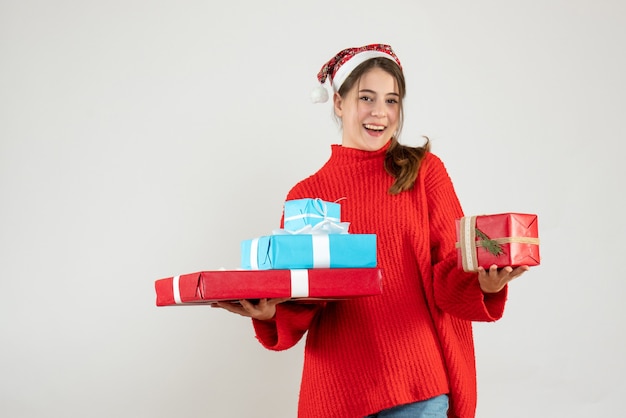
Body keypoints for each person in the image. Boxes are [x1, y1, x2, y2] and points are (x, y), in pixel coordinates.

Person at [215, 43, 529, 418]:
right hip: (336, 392)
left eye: (392, 100)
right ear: (338, 103)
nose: (380, 113)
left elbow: (449, 268)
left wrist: (484, 284)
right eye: (367, 97)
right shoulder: (306, 195)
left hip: (417, 387)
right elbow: (302, 298)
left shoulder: (424, 172)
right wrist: (268, 314)